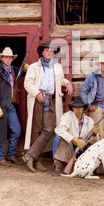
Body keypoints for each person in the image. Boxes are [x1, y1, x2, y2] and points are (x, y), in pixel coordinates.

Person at [23, 41, 73, 172]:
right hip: (37, 98)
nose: (49, 53)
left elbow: (60, 80)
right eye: (46, 51)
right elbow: (27, 84)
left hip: (49, 99)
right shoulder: (34, 67)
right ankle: (36, 160)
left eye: (51, 51)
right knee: (36, 129)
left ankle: (30, 156)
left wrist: (67, 83)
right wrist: (37, 93)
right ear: (42, 53)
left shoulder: (57, 67)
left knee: (50, 129)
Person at [0, 47, 25, 166]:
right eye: (6, 57)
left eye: (10, 57)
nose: (8, 59)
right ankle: (0, 158)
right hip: (0, 106)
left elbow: (22, 72)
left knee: (17, 131)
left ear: (12, 59)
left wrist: (27, 69)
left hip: (11, 106)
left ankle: (11, 155)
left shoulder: (14, 70)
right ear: (2, 58)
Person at [52, 96, 100, 176]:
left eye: (80, 107)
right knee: (58, 138)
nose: (78, 109)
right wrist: (74, 139)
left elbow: (94, 141)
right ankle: (57, 164)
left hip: (82, 149)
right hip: (69, 146)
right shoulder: (66, 116)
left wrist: (95, 135)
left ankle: (88, 168)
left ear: (83, 108)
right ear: (73, 108)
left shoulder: (90, 121)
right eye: (76, 107)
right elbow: (59, 130)